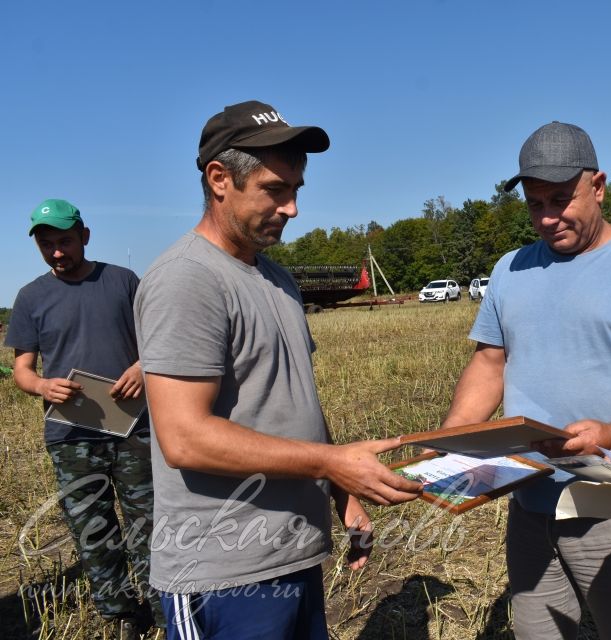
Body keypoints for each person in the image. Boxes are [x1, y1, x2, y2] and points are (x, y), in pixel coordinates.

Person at [133, 100, 422, 640]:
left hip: (290, 552)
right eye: (275, 190)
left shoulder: (277, 279)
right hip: (221, 571)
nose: (292, 208)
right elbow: (184, 438)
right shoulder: (186, 280)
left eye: (296, 190)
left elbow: (297, 401)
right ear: (219, 179)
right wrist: (333, 464)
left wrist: (344, 494)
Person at [441, 121, 611, 639]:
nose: (546, 217)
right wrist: (453, 440)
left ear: (599, 186)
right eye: (534, 203)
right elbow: (489, 363)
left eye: (561, 199)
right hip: (528, 497)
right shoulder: (510, 270)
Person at [5, 199, 163, 638]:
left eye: (65, 241)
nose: (57, 252)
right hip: (70, 433)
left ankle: (164, 606)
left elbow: (158, 338)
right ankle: (123, 613)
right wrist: (42, 386)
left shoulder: (122, 281)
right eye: (47, 244)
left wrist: (141, 367)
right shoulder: (31, 297)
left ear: (85, 236)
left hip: (133, 427)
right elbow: (22, 370)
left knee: (148, 522)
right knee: (93, 531)